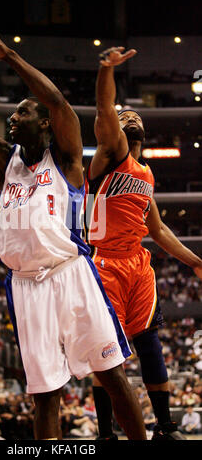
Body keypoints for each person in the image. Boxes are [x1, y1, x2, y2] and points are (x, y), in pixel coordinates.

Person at [0, 17, 146, 440]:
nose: (12, 119)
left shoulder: (68, 157)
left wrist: (11, 57)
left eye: (21, 113)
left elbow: (58, 102)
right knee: (45, 395)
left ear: (45, 124)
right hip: (25, 286)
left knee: (111, 374)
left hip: (71, 274)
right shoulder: (2, 158)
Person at [84, 46, 202, 441]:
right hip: (103, 262)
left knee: (150, 341)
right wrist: (105, 70)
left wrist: (194, 261)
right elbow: (104, 108)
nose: (129, 115)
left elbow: (161, 230)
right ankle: (105, 432)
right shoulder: (110, 154)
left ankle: (165, 427)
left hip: (137, 262)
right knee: (106, 351)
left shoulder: (146, 175)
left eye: (134, 116)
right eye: (123, 115)